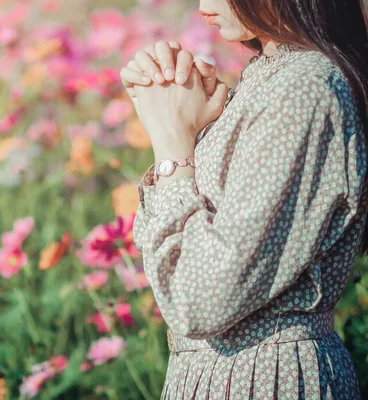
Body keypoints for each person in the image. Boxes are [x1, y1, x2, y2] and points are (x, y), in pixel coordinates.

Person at [120, 0, 368, 398]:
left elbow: (199, 300)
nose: (203, 7)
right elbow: (174, 261)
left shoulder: (304, 89)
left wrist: (171, 144)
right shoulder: (272, 77)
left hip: (263, 379)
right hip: (223, 375)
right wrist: (182, 112)